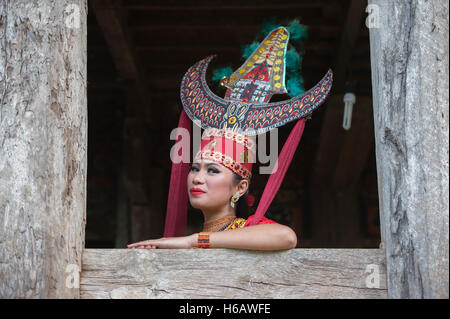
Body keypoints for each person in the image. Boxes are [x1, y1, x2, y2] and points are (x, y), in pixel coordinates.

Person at [127, 26, 332, 251]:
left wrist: (194, 241)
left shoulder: (247, 230)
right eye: (195, 168)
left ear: (240, 188)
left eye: (212, 170)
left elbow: (286, 237)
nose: (196, 178)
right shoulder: (181, 243)